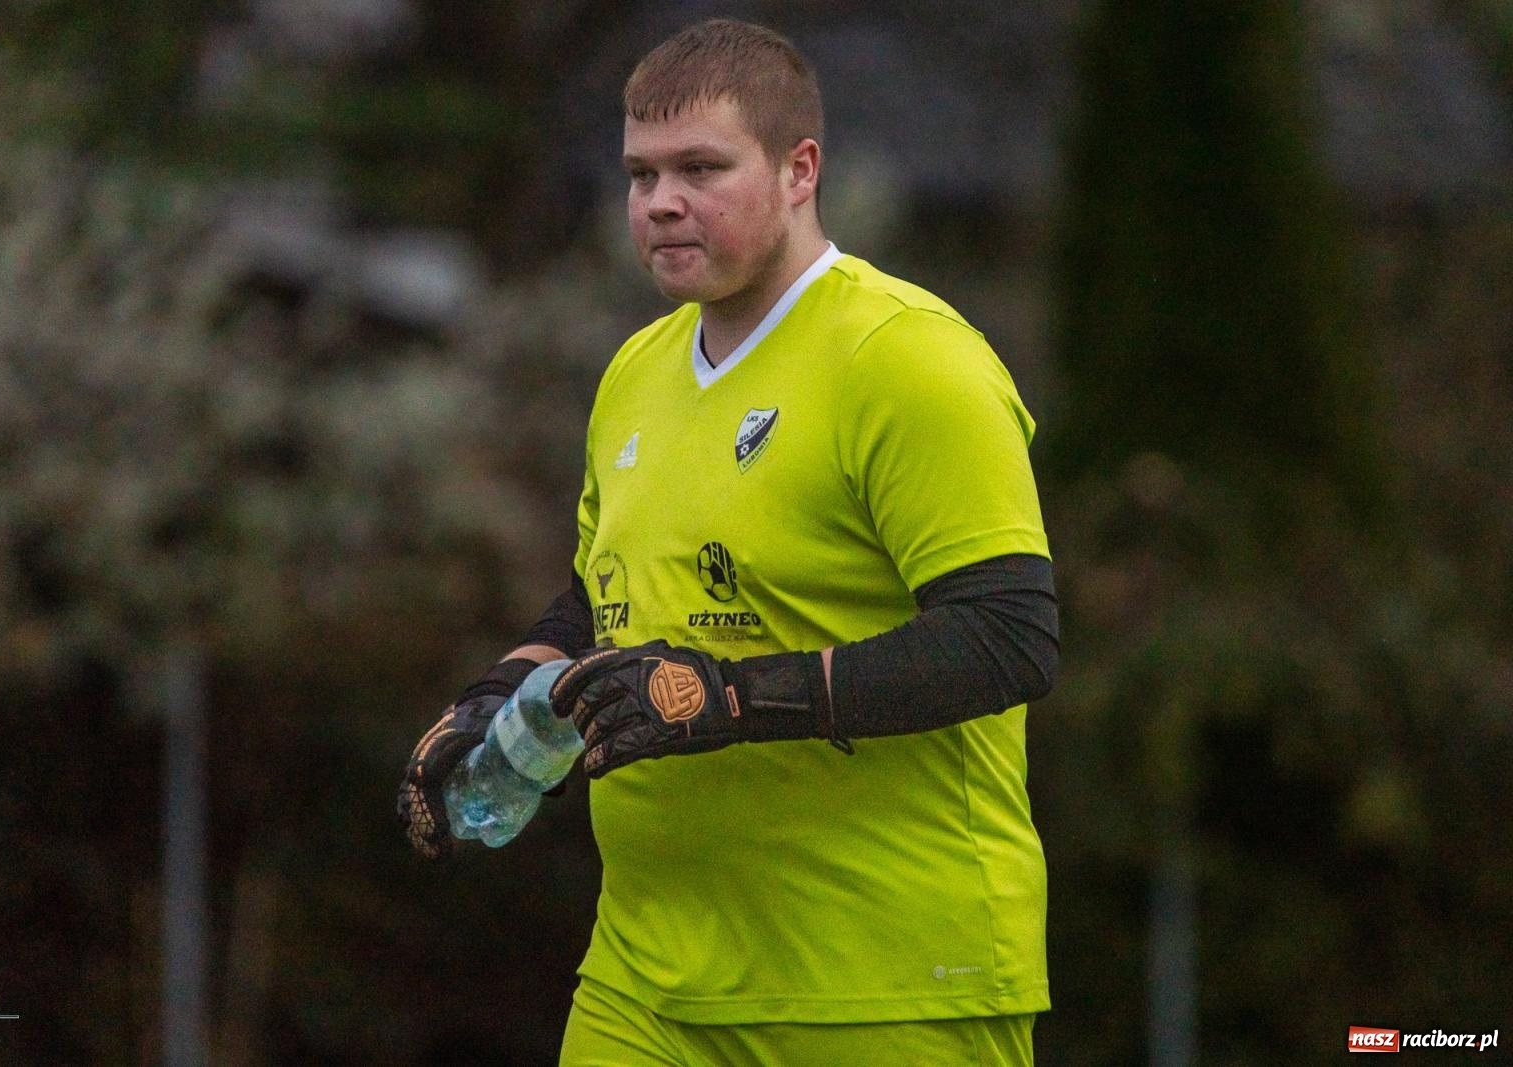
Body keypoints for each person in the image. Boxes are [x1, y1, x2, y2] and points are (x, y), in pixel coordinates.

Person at [399, 18, 1059, 1066]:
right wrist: (497, 696)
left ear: (800, 171)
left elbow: (1007, 636)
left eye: (700, 167)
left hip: (881, 983)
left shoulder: (909, 359)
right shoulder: (634, 373)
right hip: (645, 980)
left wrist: (735, 697)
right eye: (640, 173)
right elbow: (602, 596)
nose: (660, 201)